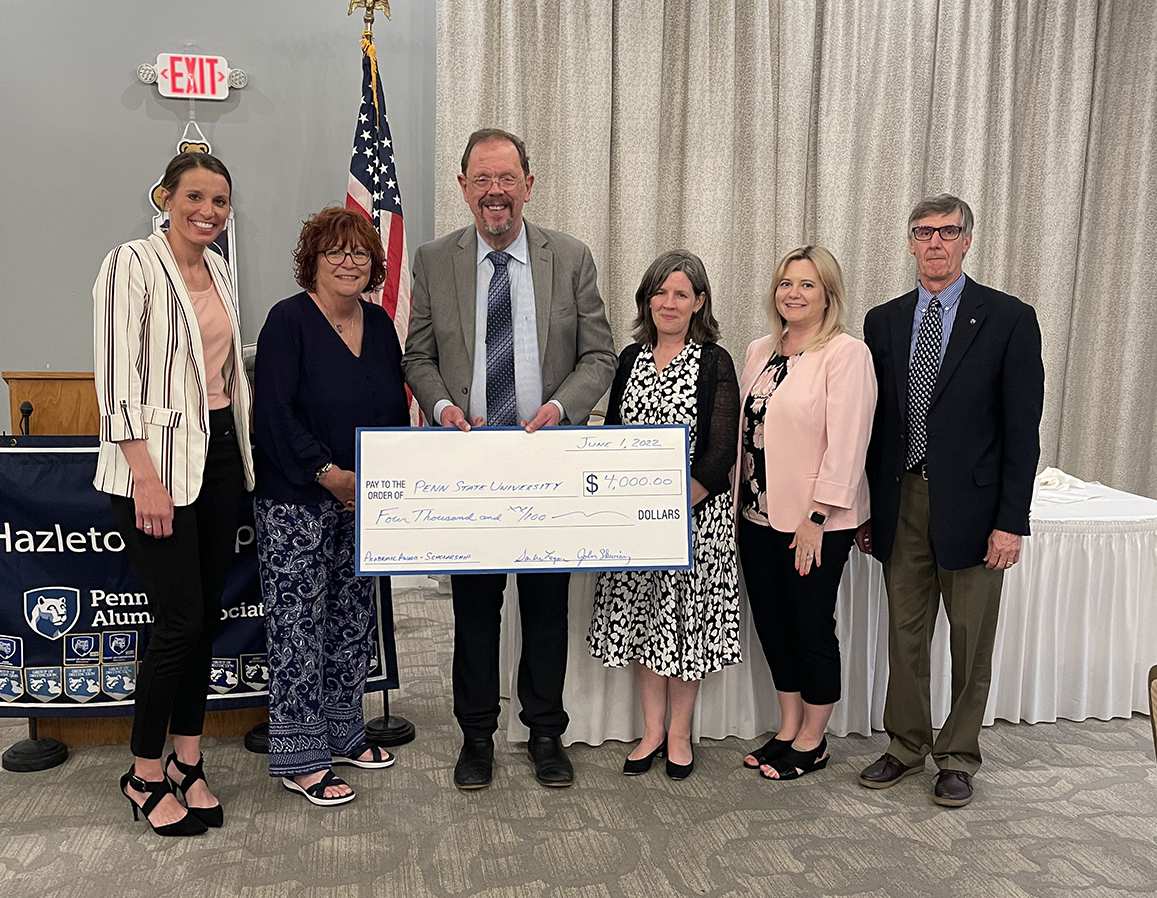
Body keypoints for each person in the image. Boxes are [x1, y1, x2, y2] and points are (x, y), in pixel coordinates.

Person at [403, 128, 616, 790]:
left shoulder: (570, 257)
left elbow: (598, 355)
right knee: (474, 608)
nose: (495, 191)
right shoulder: (435, 259)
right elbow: (417, 356)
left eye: (507, 178)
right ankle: (476, 735)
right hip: (471, 466)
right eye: (481, 180)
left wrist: (563, 407)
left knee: (545, 607)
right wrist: (441, 409)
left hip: (544, 462)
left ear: (529, 183)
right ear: (463, 188)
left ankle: (545, 732)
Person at [856, 194, 1044, 807]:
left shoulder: (1010, 319)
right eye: (923, 232)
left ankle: (958, 755)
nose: (935, 242)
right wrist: (867, 507)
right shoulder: (882, 321)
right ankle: (906, 746)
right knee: (904, 635)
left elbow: (1022, 431)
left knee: (970, 638)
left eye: (948, 231)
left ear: (967, 241)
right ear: (910, 242)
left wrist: (1010, 522)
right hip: (901, 500)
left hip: (974, 509)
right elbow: (875, 426)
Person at [93, 152, 254, 836]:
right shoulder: (129, 262)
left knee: (205, 619)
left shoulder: (217, 266)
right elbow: (115, 378)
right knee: (178, 623)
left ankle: (188, 761)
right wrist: (144, 478)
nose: (208, 211)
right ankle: (144, 771)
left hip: (218, 456)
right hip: (152, 466)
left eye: (220, 201)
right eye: (195, 197)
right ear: (165, 196)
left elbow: (221, 368)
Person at [253, 207, 409, 806]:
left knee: (352, 621)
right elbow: (272, 413)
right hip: (297, 499)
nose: (349, 261)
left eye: (360, 253)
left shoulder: (379, 322)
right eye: (335, 252)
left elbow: (392, 413)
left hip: (362, 501)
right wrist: (326, 473)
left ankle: (344, 728)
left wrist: (383, 481)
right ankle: (300, 754)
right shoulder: (287, 321)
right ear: (312, 261)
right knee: (300, 627)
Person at [587, 251, 741, 780]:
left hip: (695, 519)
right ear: (646, 300)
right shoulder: (629, 358)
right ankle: (652, 730)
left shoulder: (715, 361)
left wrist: (671, 507)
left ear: (699, 302)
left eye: (681, 293)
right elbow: (613, 435)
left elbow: (722, 451)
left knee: (682, 629)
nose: (669, 303)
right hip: (634, 524)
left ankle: (679, 734)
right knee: (641, 624)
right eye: (660, 292)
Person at [735, 246, 876, 781]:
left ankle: (814, 740)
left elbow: (848, 444)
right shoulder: (760, 350)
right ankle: (789, 726)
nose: (793, 293)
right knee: (772, 623)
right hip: (754, 515)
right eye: (785, 283)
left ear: (828, 295)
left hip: (813, 523)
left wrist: (817, 517)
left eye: (807, 285)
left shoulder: (845, 353)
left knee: (810, 625)